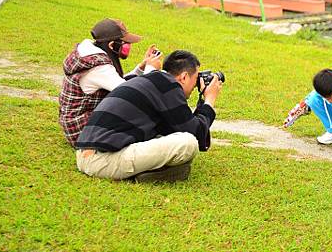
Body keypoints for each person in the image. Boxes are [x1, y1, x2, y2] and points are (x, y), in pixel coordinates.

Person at [75, 50, 223, 182]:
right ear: (184, 77)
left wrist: (201, 101)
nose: (196, 83)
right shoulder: (168, 86)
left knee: (168, 136)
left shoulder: (150, 80)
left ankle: (152, 170)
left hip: (85, 154)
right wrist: (209, 100)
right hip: (101, 160)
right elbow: (196, 134)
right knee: (187, 143)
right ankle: (149, 174)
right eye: (196, 77)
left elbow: (176, 127)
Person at [59, 18, 161, 146]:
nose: (127, 46)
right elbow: (132, 93)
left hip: (77, 124)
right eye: (125, 42)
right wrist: (151, 69)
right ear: (112, 45)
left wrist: (141, 67)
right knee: (138, 110)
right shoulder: (99, 68)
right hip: (81, 132)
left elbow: (120, 82)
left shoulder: (94, 54)